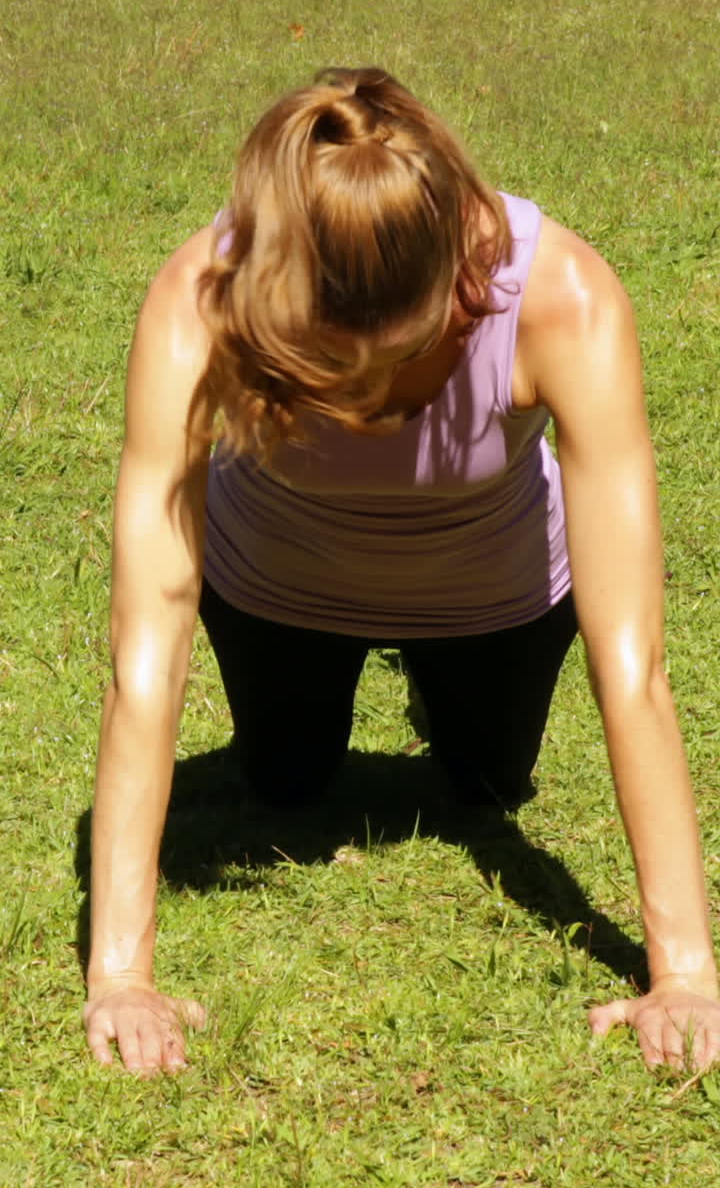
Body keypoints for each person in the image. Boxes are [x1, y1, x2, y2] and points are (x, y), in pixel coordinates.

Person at [84, 66, 720, 1076]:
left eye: (399, 359)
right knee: (286, 786)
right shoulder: (201, 299)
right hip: (280, 582)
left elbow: (633, 658)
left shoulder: (562, 299)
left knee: (487, 783)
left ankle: (445, 693)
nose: (370, 404)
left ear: (460, 278)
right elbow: (146, 649)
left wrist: (683, 972)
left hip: (493, 593)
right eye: (331, 370)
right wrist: (121, 971)